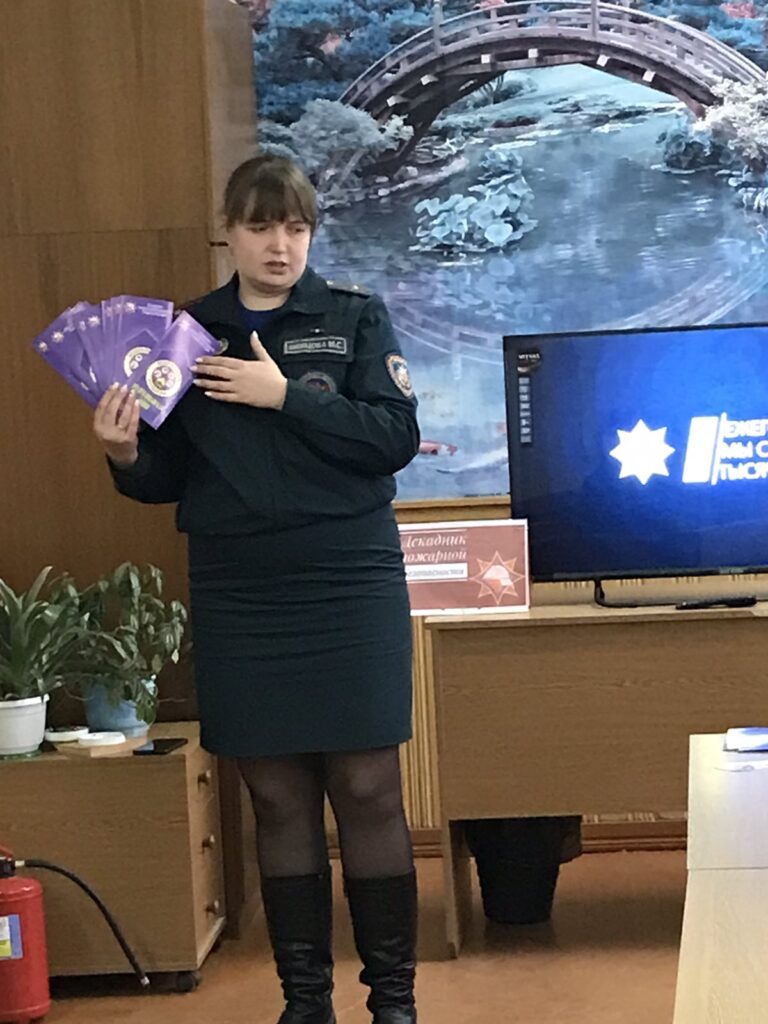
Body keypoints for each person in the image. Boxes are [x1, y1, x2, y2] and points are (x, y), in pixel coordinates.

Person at [93, 155, 421, 1024]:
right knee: (275, 797)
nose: (281, 245)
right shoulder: (186, 333)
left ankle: (393, 1003)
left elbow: (392, 437)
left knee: (368, 788)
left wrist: (285, 398)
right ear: (229, 233)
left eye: (296, 227)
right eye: (262, 226)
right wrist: (125, 452)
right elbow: (168, 475)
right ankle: (305, 1004)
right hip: (241, 589)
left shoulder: (352, 316)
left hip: (347, 578)